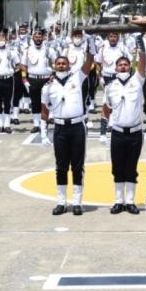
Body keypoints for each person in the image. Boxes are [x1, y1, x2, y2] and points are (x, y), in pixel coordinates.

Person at [41, 34, 96, 216]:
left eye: (64, 63)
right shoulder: (47, 86)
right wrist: (43, 133)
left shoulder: (77, 78)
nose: (61, 66)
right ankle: (61, 202)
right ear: (54, 66)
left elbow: (89, 63)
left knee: (78, 165)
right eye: (59, 64)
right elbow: (44, 110)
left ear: (69, 65)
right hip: (59, 128)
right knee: (61, 166)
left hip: (77, 127)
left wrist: (91, 43)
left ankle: (77, 202)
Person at [102, 37, 146, 214]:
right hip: (118, 133)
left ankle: (130, 201)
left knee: (131, 167)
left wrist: (141, 45)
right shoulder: (110, 86)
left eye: (125, 65)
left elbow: (143, 64)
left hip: (135, 132)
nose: (123, 67)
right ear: (115, 68)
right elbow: (106, 109)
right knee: (117, 167)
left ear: (130, 67)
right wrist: (103, 132)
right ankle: (118, 200)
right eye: (120, 65)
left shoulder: (137, 81)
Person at [97, 32, 132, 141]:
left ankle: (114, 123)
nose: (113, 38)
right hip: (107, 77)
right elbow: (98, 63)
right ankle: (105, 127)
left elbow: (129, 61)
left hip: (119, 76)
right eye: (111, 36)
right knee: (107, 102)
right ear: (107, 37)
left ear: (118, 38)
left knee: (119, 100)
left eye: (115, 36)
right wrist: (100, 76)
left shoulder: (122, 48)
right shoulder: (103, 48)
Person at [23, 29, 53, 134]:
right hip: (33, 79)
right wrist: (25, 78)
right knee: (35, 102)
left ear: (43, 38)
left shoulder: (49, 49)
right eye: (36, 37)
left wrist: (53, 75)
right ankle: (36, 125)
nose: (38, 38)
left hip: (46, 79)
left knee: (45, 102)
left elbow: (56, 62)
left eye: (40, 36)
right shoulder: (27, 50)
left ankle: (44, 124)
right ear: (33, 38)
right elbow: (23, 65)